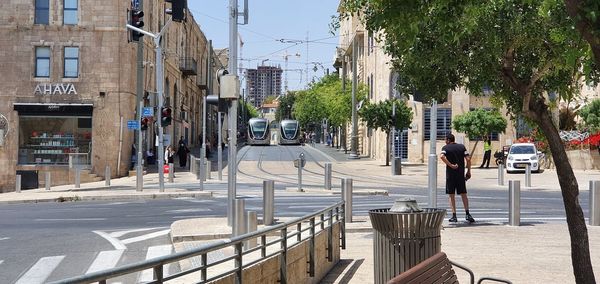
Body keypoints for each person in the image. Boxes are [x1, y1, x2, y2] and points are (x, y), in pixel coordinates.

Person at [440, 133, 475, 223]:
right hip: (460, 175)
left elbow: (442, 156)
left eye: (445, 139)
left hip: (450, 175)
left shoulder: (445, 148)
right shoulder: (462, 147)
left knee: (451, 195)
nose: (445, 141)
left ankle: (454, 216)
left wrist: (451, 165)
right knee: (463, 193)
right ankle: (467, 214)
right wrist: (468, 171)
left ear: (448, 140)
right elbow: (468, 159)